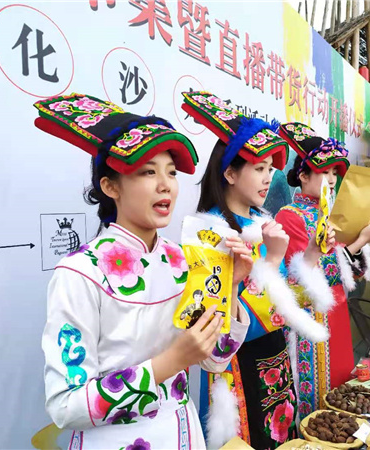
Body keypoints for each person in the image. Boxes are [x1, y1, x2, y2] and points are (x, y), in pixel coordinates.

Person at [35, 93, 254, 449]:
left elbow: (215, 359)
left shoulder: (183, 260)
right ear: (110, 186)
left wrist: (229, 286)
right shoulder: (79, 272)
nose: (165, 184)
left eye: (171, 172)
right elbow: (65, 405)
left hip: (183, 434)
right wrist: (171, 362)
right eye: (148, 172)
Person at [181, 91, 331, 448]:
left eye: (270, 169)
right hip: (238, 367)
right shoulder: (208, 233)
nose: (267, 178)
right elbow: (221, 328)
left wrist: (312, 253)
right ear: (230, 173)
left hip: (276, 358)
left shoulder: (264, 223)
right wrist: (273, 260)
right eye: (259, 169)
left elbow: (287, 304)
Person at [274, 123, 370, 415]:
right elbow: (311, 275)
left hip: (338, 311)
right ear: (303, 175)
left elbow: (353, 274)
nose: (332, 179)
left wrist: (360, 239)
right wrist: (359, 241)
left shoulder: (331, 215)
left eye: (335, 172)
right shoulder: (289, 216)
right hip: (311, 315)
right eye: (324, 171)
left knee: (340, 389)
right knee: (317, 396)